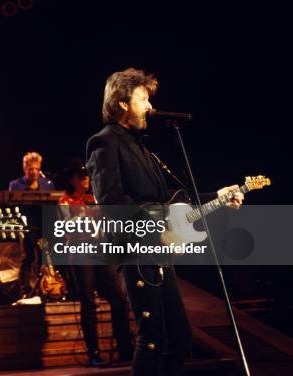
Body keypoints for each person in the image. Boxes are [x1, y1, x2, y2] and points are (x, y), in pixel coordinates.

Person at [85, 68, 243, 375]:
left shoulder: (142, 148)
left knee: (179, 335)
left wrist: (218, 196)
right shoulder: (104, 142)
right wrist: (156, 230)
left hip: (157, 252)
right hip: (137, 251)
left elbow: (172, 202)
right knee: (153, 337)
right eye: (143, 99)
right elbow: (112, 202)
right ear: (122, 103)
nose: (149, 107)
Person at [58, 159, 133, 366]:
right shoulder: (65, 202)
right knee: (88, 301)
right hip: (81, 252)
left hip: (100, 251)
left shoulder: (93, 198)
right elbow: (70, 226)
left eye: (87, 176)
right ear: (72, 179)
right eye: (81, 176)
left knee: (118, 298)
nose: (86, 179)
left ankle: (126, 348)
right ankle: (94, 353)